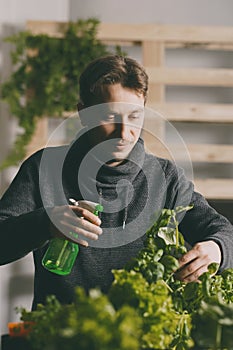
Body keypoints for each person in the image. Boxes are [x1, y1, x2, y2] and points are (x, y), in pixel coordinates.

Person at [0, 55, 232, 309]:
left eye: (134, 117)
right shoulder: (43, 167)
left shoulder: (166, 178)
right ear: (84, 114)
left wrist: (217, 249)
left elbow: (223, 231)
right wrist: (44, 223)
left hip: (141, 335)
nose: (124, 134)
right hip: (58, 333)